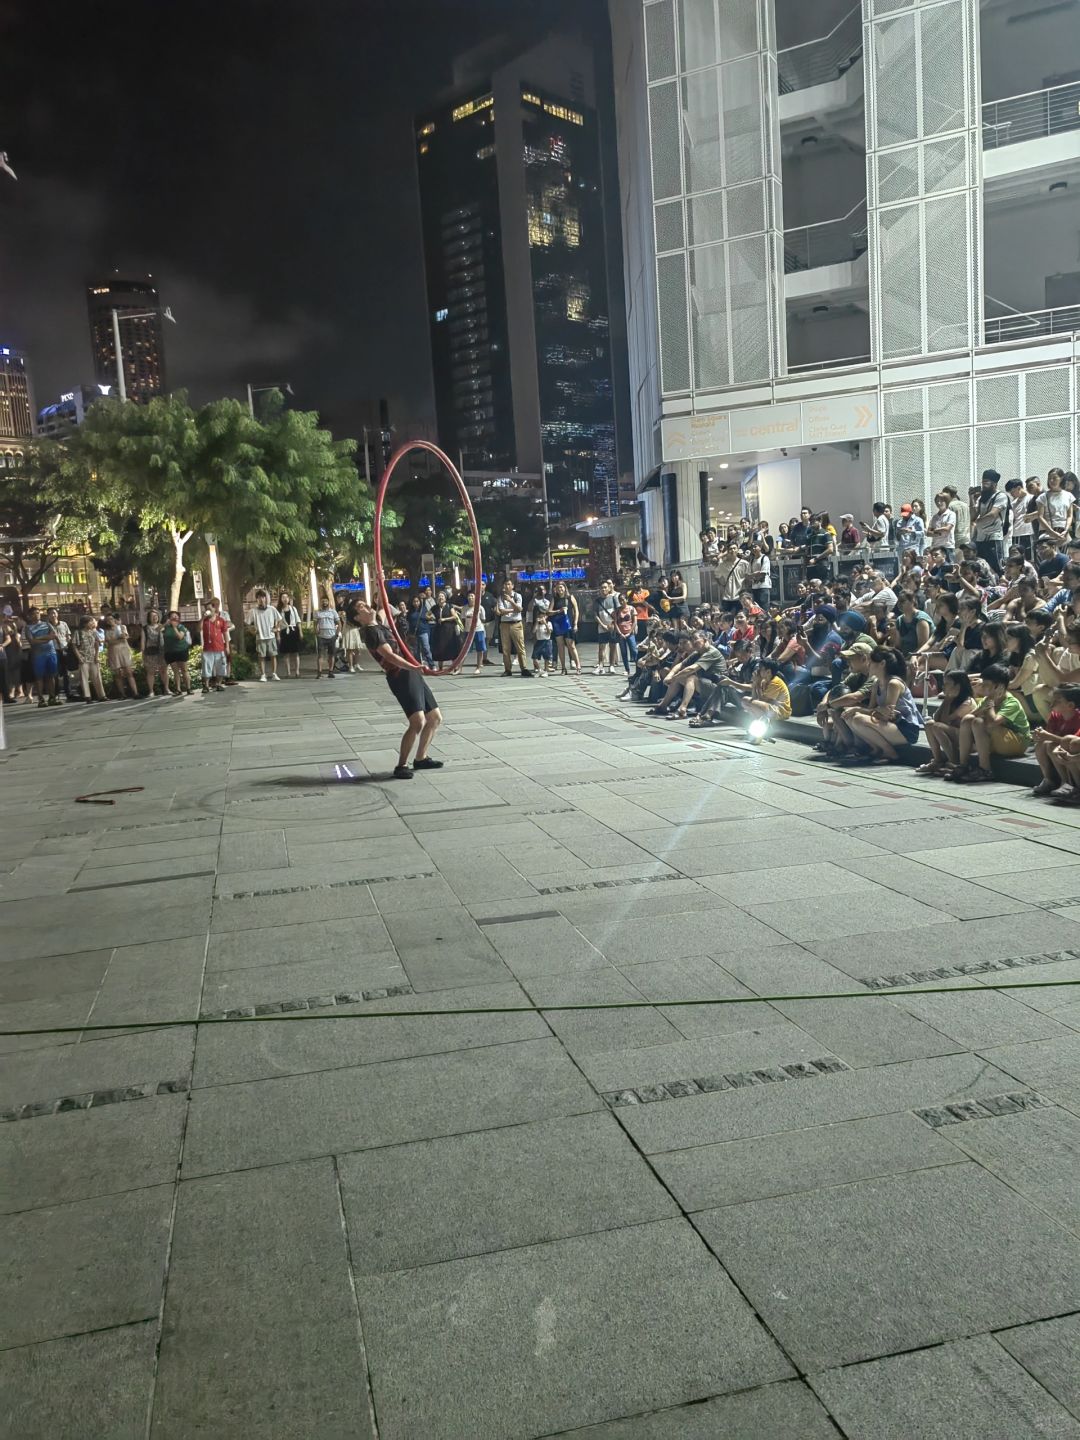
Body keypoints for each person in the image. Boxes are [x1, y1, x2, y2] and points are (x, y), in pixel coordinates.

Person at [356, 599, 443, 779]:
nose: (366, 606)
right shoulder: (371, 632)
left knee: (434, 717)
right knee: (418, 721)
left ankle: (421, 758)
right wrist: (413, 667)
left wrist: (381, 584)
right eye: (361, 607)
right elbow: (390, 656)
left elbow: (385, 606)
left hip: (410, 672)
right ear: (358, 618)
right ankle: (401, 765)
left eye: (365, 603)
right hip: (400, 675)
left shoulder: (378, 623)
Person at [949, 661, 1030, 782]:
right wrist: (981, 709)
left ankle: (985, 770)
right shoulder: (986, 699)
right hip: (999, 740)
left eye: (986, 684)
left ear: (999, 686)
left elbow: (993, 722)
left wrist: (990, 703)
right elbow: (967, 719)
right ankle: (963, 765)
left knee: (979, 723)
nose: (982, 687)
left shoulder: (1012, 702)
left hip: (1017, 743)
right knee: (968, 720)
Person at [844, 646, 924, 765]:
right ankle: (876, 749)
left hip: (905, 728)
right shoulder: (876, 683)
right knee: (850, 717)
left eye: (871, 662)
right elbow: (874, 710)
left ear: (882, 664)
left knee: (858, 718)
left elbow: (887, 714)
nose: (868, 665)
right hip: (890, 725)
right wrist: (872, 711)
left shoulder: (893, 683)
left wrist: (859, 709)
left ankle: (890, 752)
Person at [915, 670, 976, 776]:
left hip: (968, 741)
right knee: (929, 724)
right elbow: (937, 717)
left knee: (937, 726)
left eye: (947, 684)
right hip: (953, 735)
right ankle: (938, 761)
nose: (943, 686)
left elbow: (945, 721)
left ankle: (954, 762)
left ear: (958, 686)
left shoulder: (967, 702)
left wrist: (948, 699)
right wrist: (947, 699)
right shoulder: (951, 699)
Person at [1031, 685, 1080, 799]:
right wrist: (1039, 736)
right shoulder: (1055, 716)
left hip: (1072, 751)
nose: (1051, 704)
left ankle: (1071, 783)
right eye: (1051, 700)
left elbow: (1073, 740)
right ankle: (1050, 780)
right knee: (1044, 744)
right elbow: (1049, 737)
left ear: (1070, 705)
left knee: (1066, 743)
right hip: (1063, 752)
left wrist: (1048, 736)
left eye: (1057, 701)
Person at [24, 606, 62, 708]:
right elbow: (32, 641)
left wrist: (40, 638)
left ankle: (52, 697)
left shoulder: (47, 624)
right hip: (38, 654)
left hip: (51, 652)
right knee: (39, 677)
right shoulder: (28, 627)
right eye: (33, 613)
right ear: (29, 616)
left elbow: (53, 636)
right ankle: (41, 699)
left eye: (38, 612)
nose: (36, 615)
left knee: (51, 675)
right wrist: (46, 638)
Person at [971, 469, 1008, 573]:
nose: (984, 485)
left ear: (994, 484)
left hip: (993, 537)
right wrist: (971, 498)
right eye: (983, 482)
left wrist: (978, 521)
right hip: (980, 538)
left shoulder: (1000, 496)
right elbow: (972, 516)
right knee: (981, 568)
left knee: (997, 567)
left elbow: (993, 514)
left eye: (986, 482)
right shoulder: (981, 498)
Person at [495, 580, 532, 676]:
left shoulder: (517, 596)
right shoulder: (500, 598)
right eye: (505, 584)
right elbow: (502, 611)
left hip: (516, 624)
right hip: (504, 624)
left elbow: (519, 609)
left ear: (512, 586)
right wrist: (514, 609)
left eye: (509, 584)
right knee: (506, 648)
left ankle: (524, 668)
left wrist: (511, 601)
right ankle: (508, 669)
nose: (507, 586)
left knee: (520, 647)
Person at [247, 590, 283, 682]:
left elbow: (279, 619)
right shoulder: (253, 611)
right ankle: (263, 674)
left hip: (271, 636)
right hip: (260, 637)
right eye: (259, 598)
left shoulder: (272, 609)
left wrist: (276, 629)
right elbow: (247, 623)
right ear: (257, 599)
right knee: (261, 656)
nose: (261, 600)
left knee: (273, 655)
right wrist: (252, 631)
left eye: (263, 597)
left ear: (265, 598)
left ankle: (274, 673)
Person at [71, 614, 106, 703]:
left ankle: (101, 695)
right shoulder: (78, 632)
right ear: (84, 623)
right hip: (83, 657)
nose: (92, 623)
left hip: (93, 657)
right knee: (84, 678)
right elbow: (74, 646)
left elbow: (97, 644)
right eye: (90, 622)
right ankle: (87, 696)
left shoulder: (93, 632)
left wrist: (97, 656)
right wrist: (79, 657)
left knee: (97, 676)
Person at [104, 612, 139, 699]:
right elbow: (109, 642)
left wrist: (116, 639)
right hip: (113, 653)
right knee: (117, 674)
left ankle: (135, 692)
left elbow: (125, 637)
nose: (110, 621)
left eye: (111, 619)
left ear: (114, 619)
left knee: (129, 672)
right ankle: (122, 694)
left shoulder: (122, 627)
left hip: (124, 651)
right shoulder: (107, 631)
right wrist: (118, 639)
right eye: (107, 620)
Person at [201, 599, 231, 693]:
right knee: (206, 667)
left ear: (214, 608)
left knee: (221, 666)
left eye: (209, 608)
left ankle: (219, 684)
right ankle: (206, 686)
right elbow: (198, 628)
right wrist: (202, 618)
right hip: (208, 649)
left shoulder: (221, 620)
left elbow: (225, 633)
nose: (207, 610)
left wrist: (227, 646)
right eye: (206, 608)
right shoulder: (205, 620)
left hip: (219, 648)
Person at [551, 581, 580, 674]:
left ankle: (578, 666)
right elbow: (548, 611)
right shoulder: (554, 599)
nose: (560, 589)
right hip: (558, 624)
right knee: (560, 646)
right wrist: (558, 611)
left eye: (561, 587)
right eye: (558, 588)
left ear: (565, 588)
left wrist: (575, 623)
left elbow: (576, 610)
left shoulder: (570, 597)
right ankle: (563, 668)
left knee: (571, 645)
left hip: (568, 624)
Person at [141, 608, 169, 696]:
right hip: (150, 652)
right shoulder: (145, 628)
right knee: (150, 672)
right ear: (148, 618)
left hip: (162, 651)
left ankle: (166, 689)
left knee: (164, 671)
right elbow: (143, 641)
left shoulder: (162, 627)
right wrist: (143, 652)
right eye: (152, 616)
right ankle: (151, 691)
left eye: (156, 616)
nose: (154, 618)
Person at [162, 611, 192, 695]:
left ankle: (188, 688)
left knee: (184, 670)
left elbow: (180, 637)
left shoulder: (181, 627)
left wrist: (175, 627)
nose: (174, 618)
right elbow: (157, 630)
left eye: (176, 616)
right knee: (175, 671)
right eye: (172, 617)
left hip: (181, 650)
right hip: (170, 652)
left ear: (178, 619)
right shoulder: (166, 627)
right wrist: (165, 624)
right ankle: (178, 689)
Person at [313, 596, 341, 678]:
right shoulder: (317, 612)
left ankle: (330, 671)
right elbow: (315, 624)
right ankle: (319, 672)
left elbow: (339, 623)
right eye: (322, 601)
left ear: (328, 602)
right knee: (320, 655)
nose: (324, 603)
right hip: (321, 636)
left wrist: (336, 634)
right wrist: (316, 631)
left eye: (326, 601)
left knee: (331, 655)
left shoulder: (333, 612)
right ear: (320, 603)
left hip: (331, 636)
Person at [277, 591, 303, 677]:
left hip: (293, 631)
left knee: (296, 653)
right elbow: (277, 624)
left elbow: (298, 621)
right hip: (284, 632)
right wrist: (278, 635)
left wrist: (300, 632)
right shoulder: (279, 610)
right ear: (280, 599)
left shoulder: (293, 608)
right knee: (286, 653)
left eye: (286, 597)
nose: (285, 599)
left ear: (288, 599)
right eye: (283, 597)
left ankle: (297, 672)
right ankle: (288, 672)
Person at [594, 580, 617, 674]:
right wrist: (602, 625)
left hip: (612, 626)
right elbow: (595, 615)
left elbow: (618, 612)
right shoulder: (597, 601)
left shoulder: (614, 599)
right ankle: (600, 665)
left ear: (609, 588)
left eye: (605, 587)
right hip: (602, 627)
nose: (603, 589)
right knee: (601, 647)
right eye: (602, 587)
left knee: (613, 646)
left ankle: (611, 665)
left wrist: (612, 624)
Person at [340, 599, 365, 674]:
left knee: (358, 649)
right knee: (350, 650)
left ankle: (356, 664)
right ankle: (350, 666)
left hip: (355, 631)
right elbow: (346, 621)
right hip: (348, 631)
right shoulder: (345, 612)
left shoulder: (358, 612)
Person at [467, 590, 487, 673]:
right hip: (468, 630)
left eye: (472, 596)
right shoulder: (465, 608)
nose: (471, 597)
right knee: (465, 649)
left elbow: (483, 619)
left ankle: (478, 666)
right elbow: (463, 619)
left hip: (478, 629)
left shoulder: (480, 607)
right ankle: (459, 667)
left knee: (480, 649)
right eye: (469, 596)